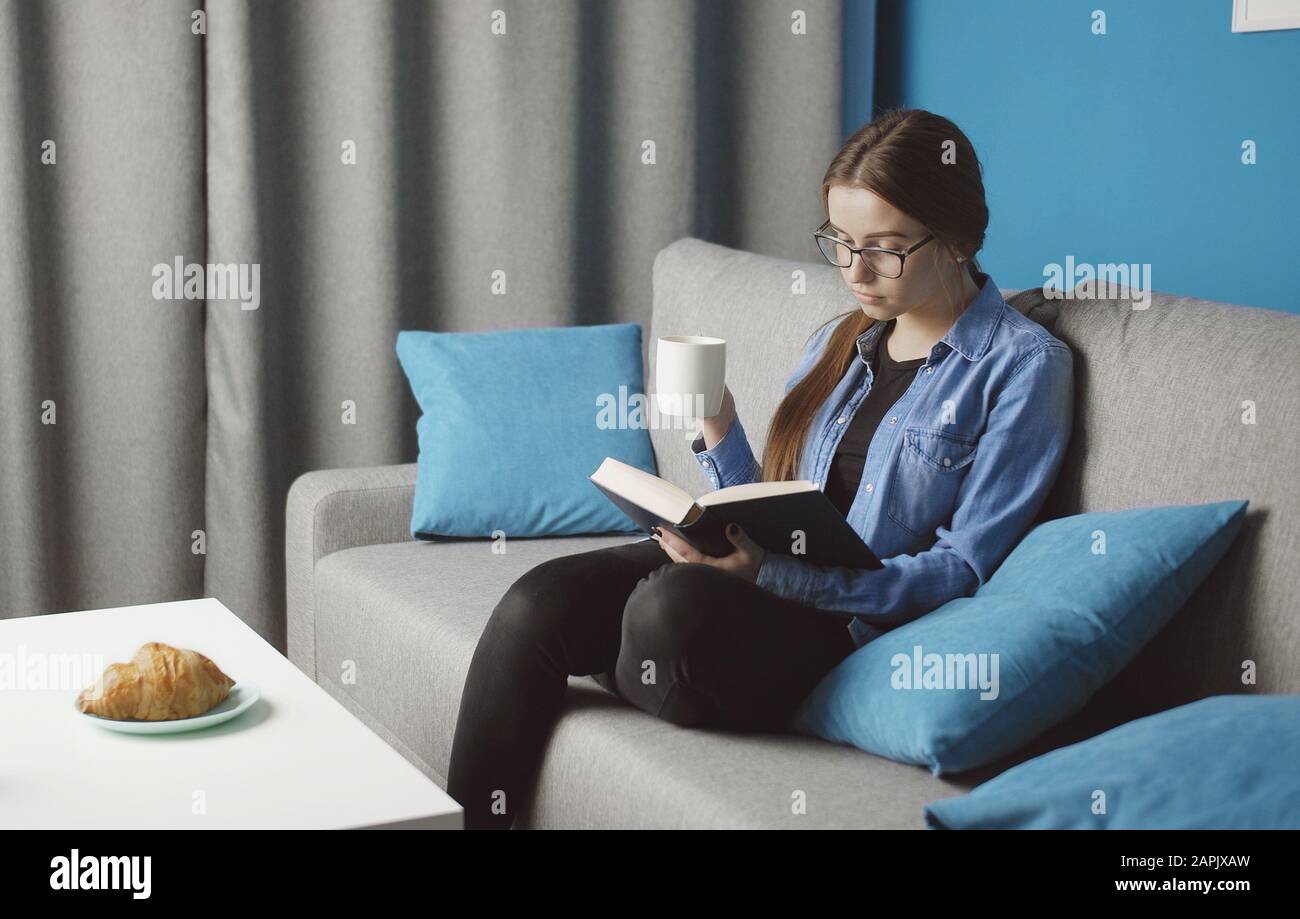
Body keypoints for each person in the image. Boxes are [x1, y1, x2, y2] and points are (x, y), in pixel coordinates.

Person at [445, 108, 1075, 829]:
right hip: (753, 585)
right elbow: (771, 499)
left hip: (846, 628)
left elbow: (964, 567)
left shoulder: (1024, 368)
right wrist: (718, 425)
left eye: (885, 249)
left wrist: (772, 575)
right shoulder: (839, 341)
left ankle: (634, 638)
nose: (854, 272)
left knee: (665, 610)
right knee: (536, 600)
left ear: (959, 237)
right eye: (840, 243)